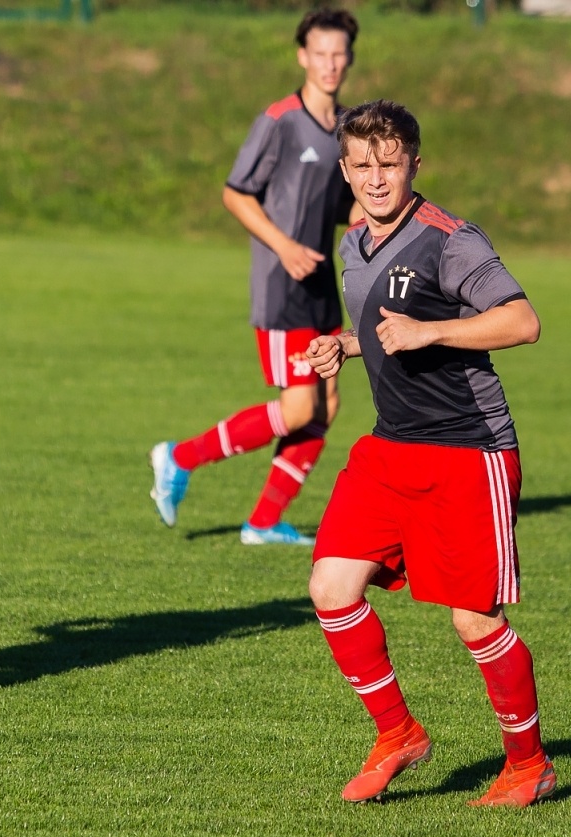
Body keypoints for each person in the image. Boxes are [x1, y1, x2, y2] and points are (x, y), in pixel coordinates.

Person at [303, 100, 553, 808]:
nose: (376, 178)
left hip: (468, 450)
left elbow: (523, 322)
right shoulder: (353, 244)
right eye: (362, 165)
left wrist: (430, 332)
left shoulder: (450, 240)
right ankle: (398, 733)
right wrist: (344, 345)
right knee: (330, 588)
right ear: (345, 171)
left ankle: (529, 764)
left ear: (415, 163)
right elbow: (386, 329)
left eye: (389, 163)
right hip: (392, 447)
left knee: (474, 621)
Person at [149, 9, 361, 545]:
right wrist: (284, 246)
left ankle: (264, 522)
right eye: (320, 53)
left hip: (321, 285)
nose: (330, 64)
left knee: (327, 405)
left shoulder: (347, 127)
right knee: (299, 407)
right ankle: (179, 457)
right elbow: (236, 193)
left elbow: (338, 205)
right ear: (302, 56)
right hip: (281, 285)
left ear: (350, 58)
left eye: (339, 54)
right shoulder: (279, 120)